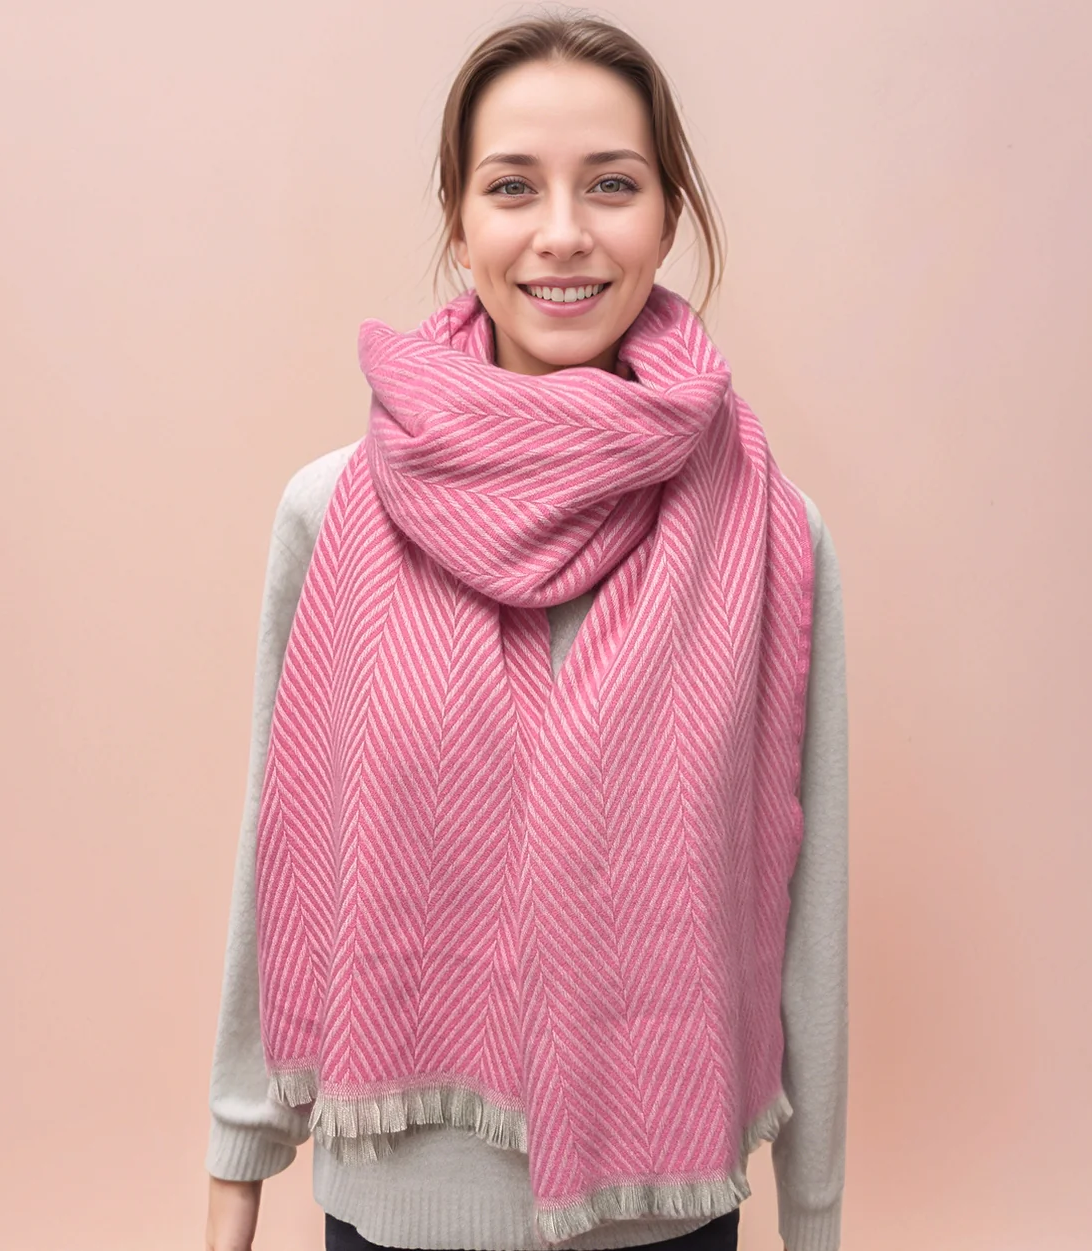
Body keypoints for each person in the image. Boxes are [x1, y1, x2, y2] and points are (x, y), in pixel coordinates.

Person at [204, 12, 847, 1251]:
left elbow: (807, 910)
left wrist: (813, 1216)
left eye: (611, 184)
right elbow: (281, 851)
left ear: (668, 217)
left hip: (667, 1216)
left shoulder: (772, 533)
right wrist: (237, 1169)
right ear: (460, 222)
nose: (562, 231)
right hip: (392, 1218)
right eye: (512, 187)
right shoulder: (333, 511)